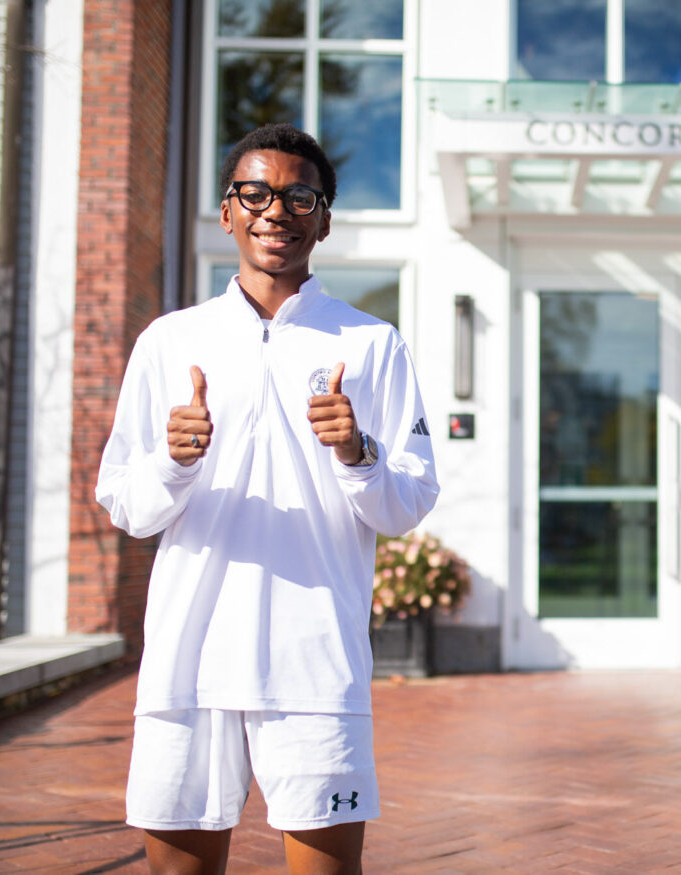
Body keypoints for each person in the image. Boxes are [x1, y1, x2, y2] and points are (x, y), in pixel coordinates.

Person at [96, 122, 439, 873]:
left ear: (324, 218)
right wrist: (173, 460)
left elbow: (407, 502)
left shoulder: (372, 343)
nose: (274, 209)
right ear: (227, 212)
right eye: (254, 192)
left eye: (298, 195)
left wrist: (359, 452)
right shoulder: (168, 340)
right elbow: (127, 503)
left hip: (315, 664)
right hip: (187, 663)